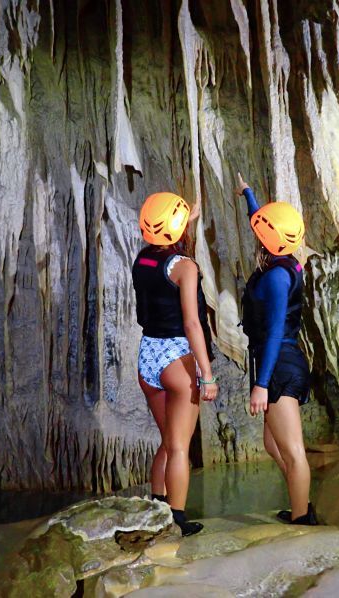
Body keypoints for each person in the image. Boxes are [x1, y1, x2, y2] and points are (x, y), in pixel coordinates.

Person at [132, 192, 218, 537]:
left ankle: (156, 507)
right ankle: (177, 520)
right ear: (177, 229)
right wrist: (207, 374)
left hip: (148, 354)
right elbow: (192, 323)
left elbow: (163, 249)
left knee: (168, 440)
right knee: (181, 445)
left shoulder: (142, 259)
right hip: (176, 357)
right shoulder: (186, 267)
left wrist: (186, 220)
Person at [235, 173, 318, 526]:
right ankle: (300, 503)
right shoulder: (287, 258)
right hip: (278, 361)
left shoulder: (276, 278)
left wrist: (262, 384)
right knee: (274, 445)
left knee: (292, 450)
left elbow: (270, 334)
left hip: (280, 365)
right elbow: (266, 226)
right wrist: (248, 194)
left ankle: (302, 519)